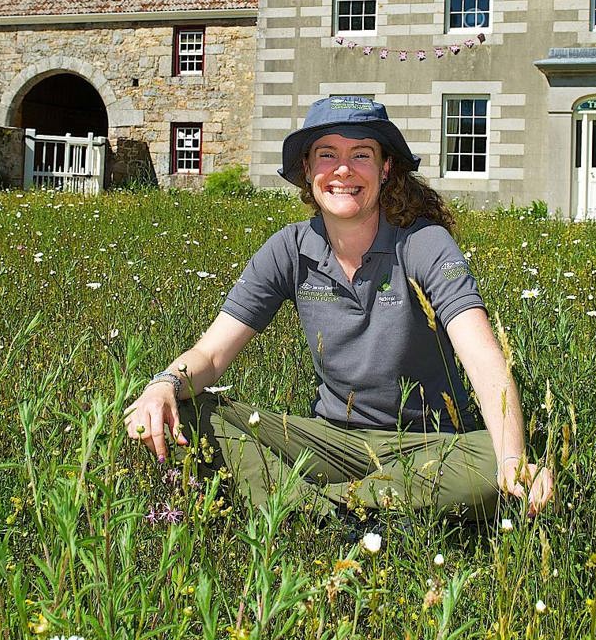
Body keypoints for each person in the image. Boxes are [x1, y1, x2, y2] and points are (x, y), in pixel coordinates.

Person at [124, 96, 553, 520]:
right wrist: (163, 384)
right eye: (327, 154)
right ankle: (349, 509)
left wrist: (512, 458)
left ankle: (302, 511)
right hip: (328, 441)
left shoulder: (425, 243)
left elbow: (482, 358)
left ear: (385, 169)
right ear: (308, 169)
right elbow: (211, 355)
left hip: (430, 446)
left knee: (500, 465)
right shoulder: (290, 248)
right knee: (186, 411)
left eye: (361, 154)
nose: (343, 169)